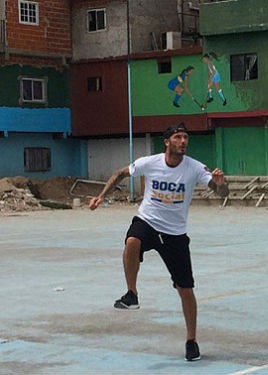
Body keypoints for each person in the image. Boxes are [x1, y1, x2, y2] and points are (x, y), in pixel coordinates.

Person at [88, 123, 229, 361]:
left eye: (185, 137)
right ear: (167, 142)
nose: (183, 141)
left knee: (186, 290)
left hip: (175, 234)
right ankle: (131, 294)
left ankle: (191, 341)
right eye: (178, 137)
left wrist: (221, 182)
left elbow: (221, 193)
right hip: (148, 222)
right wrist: (101, 197)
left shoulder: (194, 167)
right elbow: (120, 173)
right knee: (132, 240)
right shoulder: (150, 163)